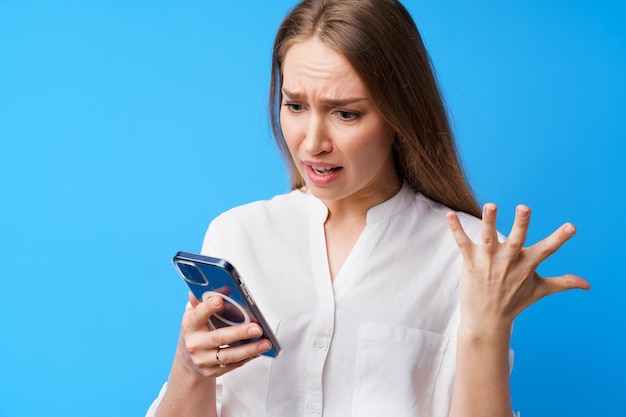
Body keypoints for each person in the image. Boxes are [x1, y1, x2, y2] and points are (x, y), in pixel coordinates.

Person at [146, 1, 590, 416]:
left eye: (346, 114)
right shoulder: (237, 235)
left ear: (400, 115)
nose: (313, 142)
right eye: (295, 105)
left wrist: (486, 328)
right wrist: (190, 367)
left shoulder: (469, 253)